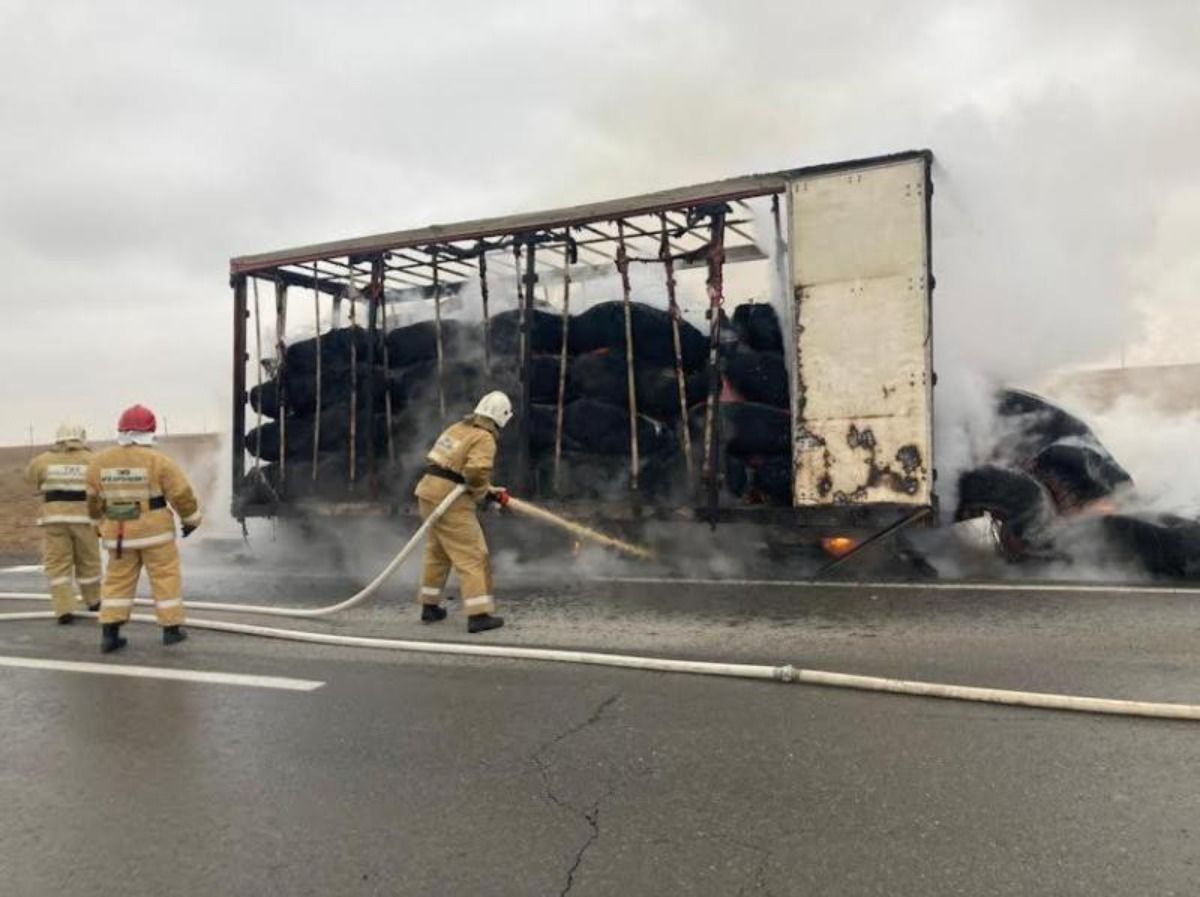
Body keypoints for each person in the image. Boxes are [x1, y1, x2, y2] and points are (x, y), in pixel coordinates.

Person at [86, 404, 202, 653]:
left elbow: (92, 500)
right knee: (165, 577)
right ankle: (171, 631)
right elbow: (181, 494)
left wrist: (98, 524)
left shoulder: (99, 462)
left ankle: (110, 633)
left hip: (119, 536)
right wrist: (191, 520)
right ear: (149, 432)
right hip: (156, 534)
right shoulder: (159, 461)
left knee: (117, 581)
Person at [414, 391, 512, 634]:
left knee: (438, 552)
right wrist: (481, 495)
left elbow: (453, 467)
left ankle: (430, 606)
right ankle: (478, 615)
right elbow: (477, 471)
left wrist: (487, 491)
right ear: (501, 417)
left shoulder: (458, 428)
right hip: (449, 500)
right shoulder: (484, 437)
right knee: (473, 555)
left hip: (428, 491)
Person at [25, 421, 102, 623]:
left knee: (58, 566)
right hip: (85, 520)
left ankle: (64, 609)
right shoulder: (93, 460)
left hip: (54, 521)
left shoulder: (42, 461)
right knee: (89, 563)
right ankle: (94, 601)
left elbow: (30, 479)